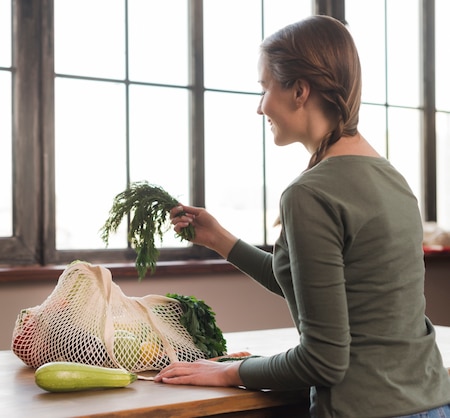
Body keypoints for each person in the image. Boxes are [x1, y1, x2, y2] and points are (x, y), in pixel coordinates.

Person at [153, 15, 450, 418]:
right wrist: (220, 239)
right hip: (431, 402)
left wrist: (228, 372)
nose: (260, 107)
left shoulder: (310, 192)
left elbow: (324, 360)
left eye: (264, 88)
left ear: (299, 90)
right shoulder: (391, 178)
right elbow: (321, 291)